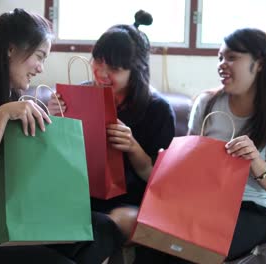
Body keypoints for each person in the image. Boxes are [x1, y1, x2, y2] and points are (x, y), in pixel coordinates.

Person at [0, 8, 122, 264]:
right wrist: (1, 116)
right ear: (11, 50)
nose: (41, 68)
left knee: (104, 229)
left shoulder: (9, 99)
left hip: (7, 214)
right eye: (40, 56)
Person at [48, 9, 176, 256]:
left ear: (134, 70)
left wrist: (132, 147)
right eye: (98, 62)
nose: (102, 74)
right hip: (82, 196)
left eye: (114, 68)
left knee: (110, 223)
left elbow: (159, 182)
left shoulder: (157, 109)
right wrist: (54, 118)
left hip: (132, 202)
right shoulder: (81, 96)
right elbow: (56, 159)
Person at [187, 28, 266, 261]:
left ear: (259, 64)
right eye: (220, 57)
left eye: (232, 57)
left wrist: (255, 161)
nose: (222, 64)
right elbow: (189, 158)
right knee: (156, 244)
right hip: (204, 200)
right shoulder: (207, 103)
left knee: (198, 250)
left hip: (252, 210)